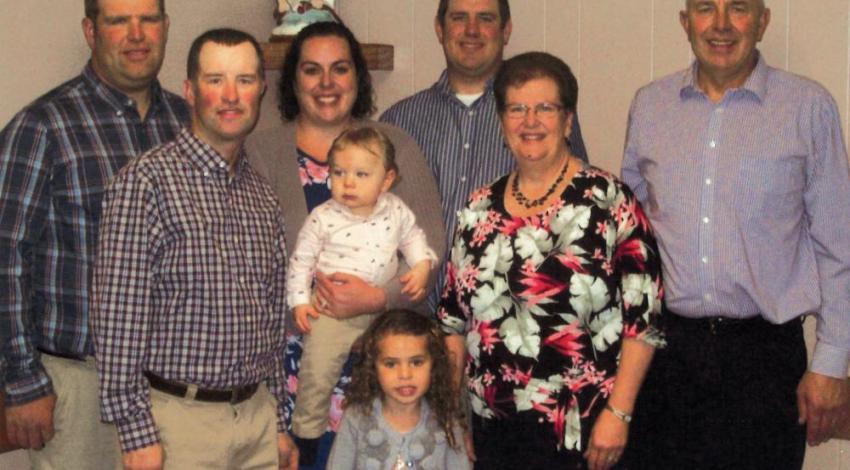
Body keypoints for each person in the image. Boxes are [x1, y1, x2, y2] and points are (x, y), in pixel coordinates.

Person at [621, 1, 850, 469]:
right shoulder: (650, 105)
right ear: (686, 24)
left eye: (738, 8)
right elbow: (629, 231)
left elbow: (838, 243)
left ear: (762, 22)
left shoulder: (808, 107)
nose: (721, 24)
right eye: (706, 8)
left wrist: (830, 362)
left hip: (763, 362)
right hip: (666, 359)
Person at [438, 51, 664, 470]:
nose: (530, 121)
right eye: (517, 109)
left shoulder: (608, 201)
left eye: (545, 108)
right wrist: (456, 413)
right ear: (502, 121)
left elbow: (643, 323)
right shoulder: (478, 208)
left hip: (585, 431)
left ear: (568, 120)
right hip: (494, 433)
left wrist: (619, 414)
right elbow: (453, 321)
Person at [92, 28, 297, 470]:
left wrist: (279, 420)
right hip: (177, 426)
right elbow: (118, 319)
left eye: (244, 80)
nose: (230, 95)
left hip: (256, 419)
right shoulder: (145, 183)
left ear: (261, 89)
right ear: (189, 90)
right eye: (214, 79)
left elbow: (271, 319)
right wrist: (136, 433)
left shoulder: (261, 195)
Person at [245, 21, 445, 469]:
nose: (327, 83)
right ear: (292, 80)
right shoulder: (260, 153)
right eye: (312, 70)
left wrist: (377, 297)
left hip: (386, 365)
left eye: (340, 68)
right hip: (292, 368)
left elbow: (430, 244)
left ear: (359, 76)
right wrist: (304, 307)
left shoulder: (396, 146)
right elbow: (245, 264)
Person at [0, 0, 187, 468]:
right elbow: (6, 259)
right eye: (118, 20)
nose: (136, 34)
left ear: (165, 28)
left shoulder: (190, 124)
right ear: (91, 30)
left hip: (179, 385)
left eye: (148, 20)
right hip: (83, 385)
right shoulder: (43, 126)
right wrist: (22, 382)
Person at [380, 0, 589, 308]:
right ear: (439, 29)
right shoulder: (398, 123)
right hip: (414, 323)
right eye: (459, 18)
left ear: (506, 30)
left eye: (486, 18)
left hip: (512, 319)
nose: (472, 30)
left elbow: (577, 212)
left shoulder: (540, 124)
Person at [286, 126, 438, 451]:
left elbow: (414, 238)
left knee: (394, 367)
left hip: (384, 310)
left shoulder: (395, 209)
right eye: (339, 173)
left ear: (386, 179)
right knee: (318, 364)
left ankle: (390, 430)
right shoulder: (322, 217)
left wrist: (422, 265)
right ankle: (308, 429)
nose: (348, 183)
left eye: (361, 174)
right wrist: (300, 302)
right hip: (331, 310)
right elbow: (301, 262)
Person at [327, 309, 470, 469]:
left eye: (416, 362)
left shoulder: (446, 419)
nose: (405, 375)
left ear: (434, 364)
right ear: (373, 367)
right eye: (391, 364)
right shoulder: (356, 418)